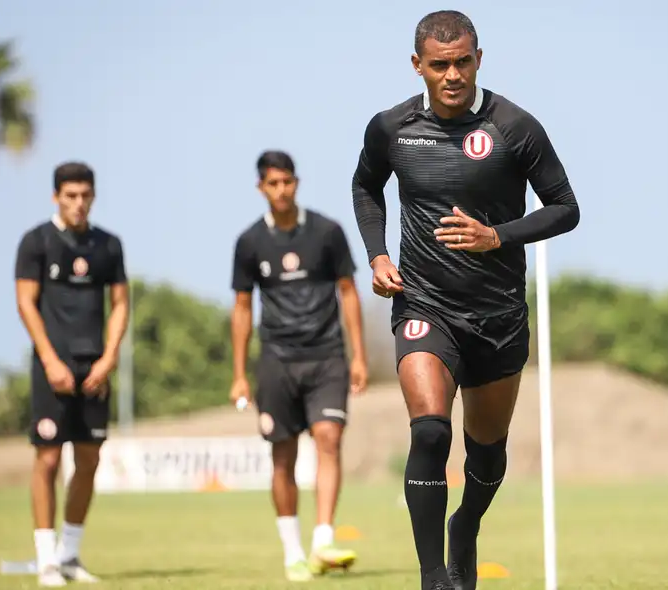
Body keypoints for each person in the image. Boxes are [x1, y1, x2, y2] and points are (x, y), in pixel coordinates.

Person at [351, 10, 581, 590]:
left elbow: (565, 207)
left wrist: (498, 236)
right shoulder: (390, 128)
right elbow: (365, 186)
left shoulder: (516, 126)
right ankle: (433, 577)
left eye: (462, 63)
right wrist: (378, 255)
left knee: (487, 458)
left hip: (498, 317)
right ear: (417, 66)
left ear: (479, 59)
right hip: (425, 305)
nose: (451, 75)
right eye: (439, 65)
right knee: (430, 431)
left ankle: (467, 525)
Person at [230, 150, 368, 582]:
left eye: (287, 181)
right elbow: (240, 307)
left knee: (329, 437)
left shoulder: (327, 232)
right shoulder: (250, 242)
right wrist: (238, 374)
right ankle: (293, 551)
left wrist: (359, 354)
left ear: (297, 182)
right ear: (260, 188)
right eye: (272, 183)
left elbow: (348, 291)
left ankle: (323, 540)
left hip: (327, 355)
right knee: (282, 456)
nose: (281, 190)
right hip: (276, 360)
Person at [14, 161, 129, 587]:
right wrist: (50, 360)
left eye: (85, 195)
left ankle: (69, 555)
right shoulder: (36, 242)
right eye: (70, 195)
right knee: (47, 457)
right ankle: (45, 559)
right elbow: (26, 302)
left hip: (93, 367)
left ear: (93, 196)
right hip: (53, 366)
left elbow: (119, 303)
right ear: (56, 197)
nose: (79, 203)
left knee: (89, 459)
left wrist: (109, 357)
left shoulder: (108, 245)